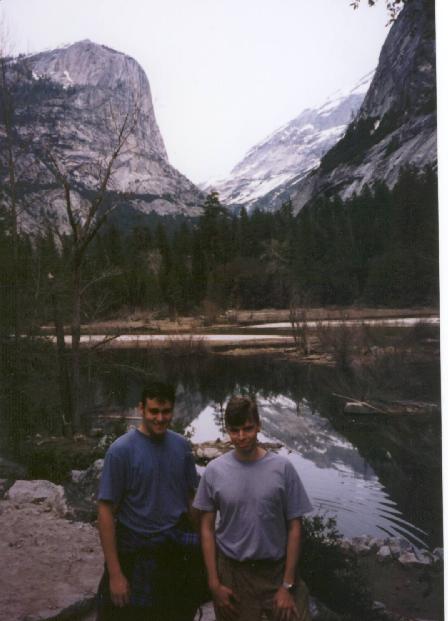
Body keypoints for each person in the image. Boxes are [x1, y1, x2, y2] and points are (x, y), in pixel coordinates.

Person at [193, 395, 313, 621]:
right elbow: (206, 528)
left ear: (258, 425)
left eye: (247, 428)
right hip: (234, 574)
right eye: (234, 430)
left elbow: (295, 527)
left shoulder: (283, 468)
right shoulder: (214, 471)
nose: (241, 437)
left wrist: (287, 585)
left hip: (277, 571)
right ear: (227, 430)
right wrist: (214, 584)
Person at [96, 381, 203, 621]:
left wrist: (203, 550)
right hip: (134, 550)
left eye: (166, 412)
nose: (160, 418)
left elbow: (190, 499)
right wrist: (115, 574)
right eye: (154, 411)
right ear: (141, 409)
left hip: (174, 548)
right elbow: (105, 511)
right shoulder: (120, 451)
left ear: (172, 410)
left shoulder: (182, 447)